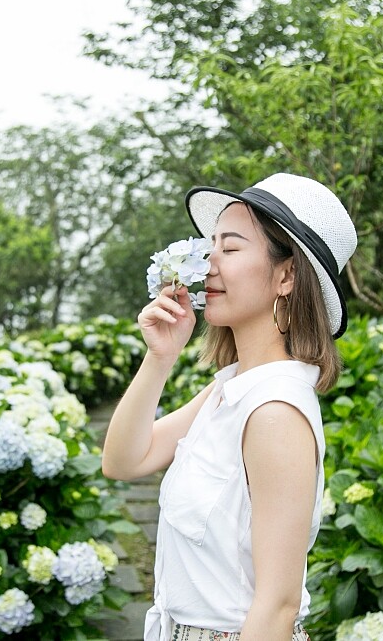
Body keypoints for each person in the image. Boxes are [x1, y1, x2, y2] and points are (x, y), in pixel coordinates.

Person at [101, 173, 357, 641]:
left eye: (230, 248)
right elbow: (123, 461)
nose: (206, 263)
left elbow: (277, 608)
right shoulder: (232, 388)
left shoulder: (274, 411)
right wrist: (160, 357)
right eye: (209, 245)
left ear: (287, 276)